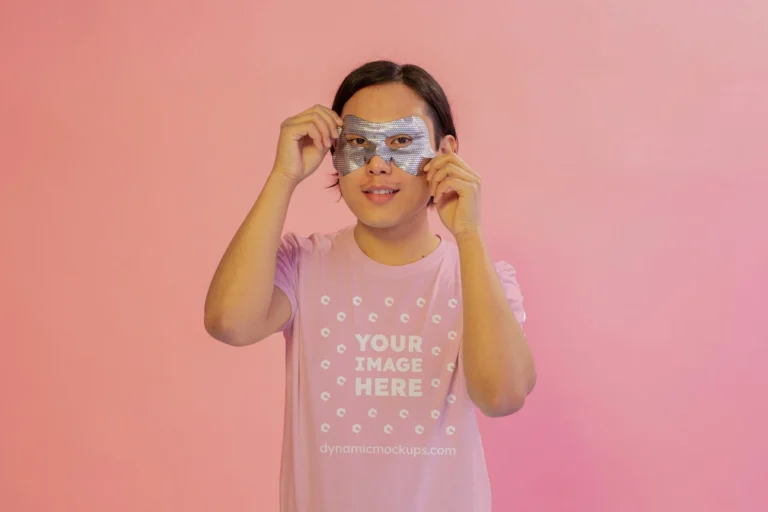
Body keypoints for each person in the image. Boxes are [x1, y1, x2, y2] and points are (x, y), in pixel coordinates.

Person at [204, 60, 537, 512]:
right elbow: (229, 323)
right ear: (334, 150)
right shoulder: (302, 265)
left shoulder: (479, 278)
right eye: (358, 142)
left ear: (445, 151)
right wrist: (283, 177)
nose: (378, 164)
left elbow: (502, 396)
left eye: (401, 141)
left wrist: (469, 236)